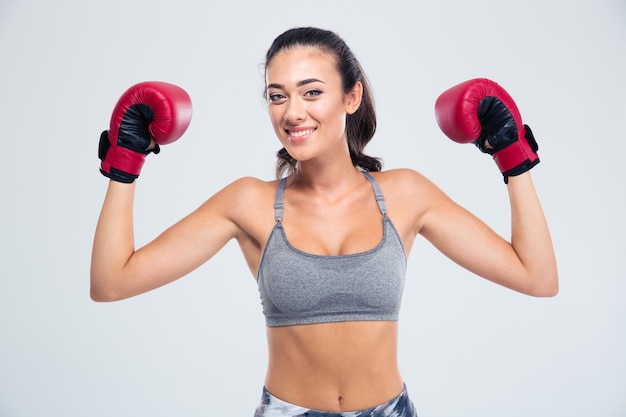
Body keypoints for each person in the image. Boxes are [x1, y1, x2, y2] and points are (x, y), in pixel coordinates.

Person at [91, 27, 558, 417]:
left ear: (351, 97)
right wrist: (124, 163)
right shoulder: (248, 203)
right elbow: (112, 281)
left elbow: (536, 276)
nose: (293, 112)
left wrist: (512, 157)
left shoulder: (404, 194)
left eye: (312, 92)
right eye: (278, 96)